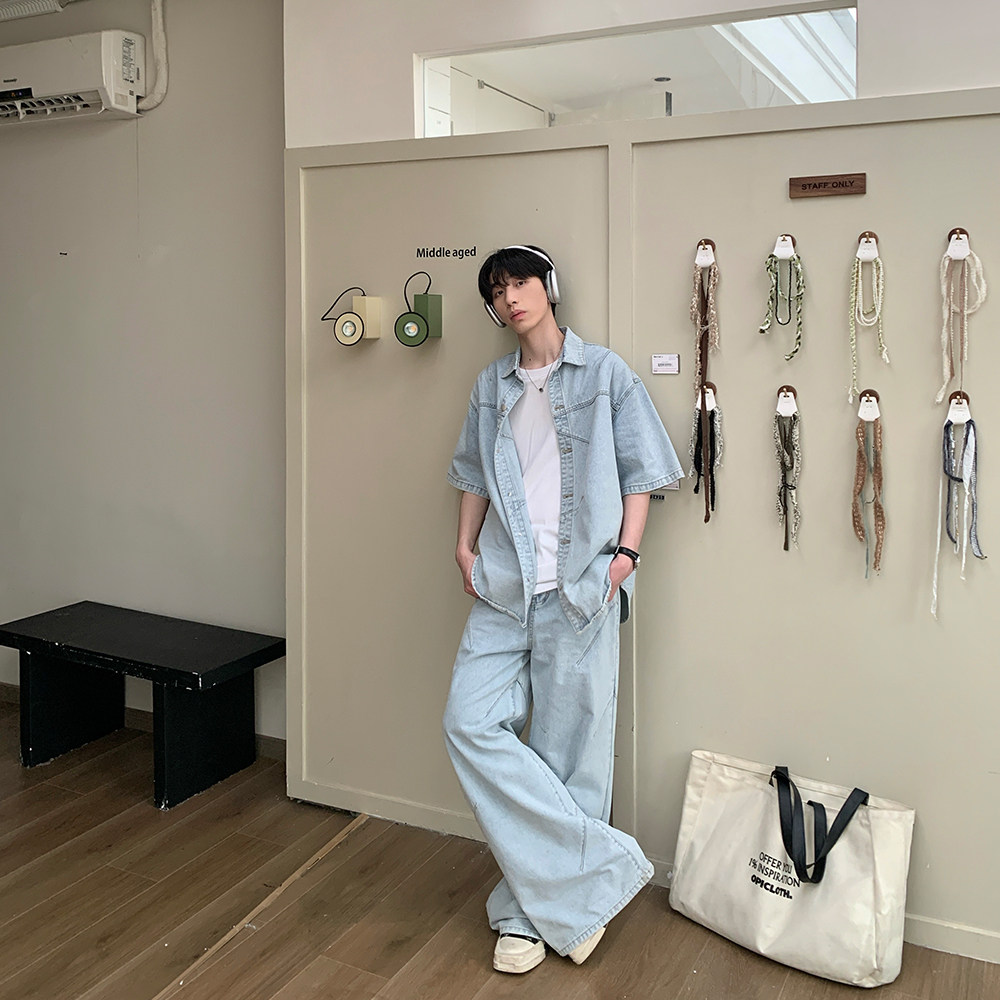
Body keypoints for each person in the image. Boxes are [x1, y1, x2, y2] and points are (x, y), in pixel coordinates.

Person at [443, 244, 682, 974]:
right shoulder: (492, 385)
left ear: (547, 287)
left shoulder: (605, 373)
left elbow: (643, 471)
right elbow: (472, 471)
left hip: (581, 586)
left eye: (519, 282)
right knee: (468, 721)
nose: (509, 298)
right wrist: (464, 547)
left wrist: (626, 556)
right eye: (496, 291)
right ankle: (596, 881)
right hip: (505, 582)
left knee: (570, 750)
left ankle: (526, 916)